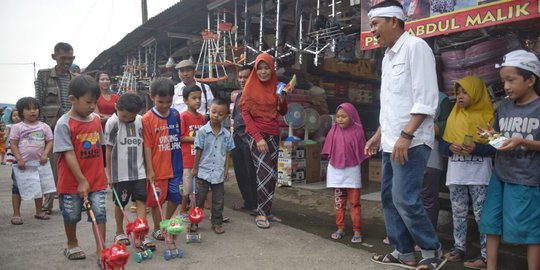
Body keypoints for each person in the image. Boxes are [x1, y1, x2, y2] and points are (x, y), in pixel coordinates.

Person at [363, 1, 444, 269]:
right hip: (390, 141)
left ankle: (432, 251)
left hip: (411, 141)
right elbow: (393, 105)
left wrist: (406, 135)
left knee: (404, 198)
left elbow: (426, 98)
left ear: (395, 21)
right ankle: (403, 251)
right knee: (387, 197)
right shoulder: (388, 57)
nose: (372, 29)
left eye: (376, 23)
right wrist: (379, 134)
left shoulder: (416, 47)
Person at [479, 50, 540, 270]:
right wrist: (491, 137)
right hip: (500, 175)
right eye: (503, 80)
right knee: (491, 224)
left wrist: (522, 142)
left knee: (531, 231)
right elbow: (501, 138)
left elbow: (518, 140)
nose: (506, 86)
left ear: (531, 79)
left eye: (511, 80)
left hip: (527, 178)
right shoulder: (503, 107)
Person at [440, 76, 496, 269]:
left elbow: (496, 147)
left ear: (477, 93)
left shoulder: (488, 117)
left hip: (479, 174)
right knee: (458, 212)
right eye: (457, 93)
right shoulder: (453, 116)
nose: (460, 97)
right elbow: (442, 145)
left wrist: (476, 149)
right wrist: (450, 148)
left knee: (482, 215)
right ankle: (459, 248)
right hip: (457, 173)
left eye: (465, 92)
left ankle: (485, 255)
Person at [53, 75, 107, 261]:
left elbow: (100, 147)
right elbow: (68, 153)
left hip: (97, 179)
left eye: (95, 102)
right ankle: (72, 243)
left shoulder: (95, 120)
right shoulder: (64, 124)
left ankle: (101, 249)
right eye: (88, 102)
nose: (92, 106)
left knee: (99, 214)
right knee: (71, 215)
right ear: (72, 100)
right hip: (71, 181)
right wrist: (81, 180)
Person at [239, 53, 287, 229]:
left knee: (272, 175)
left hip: (274, 134)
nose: (263, 72)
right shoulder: (250, 87)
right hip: (257, 135)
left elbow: (282, 112)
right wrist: (258, 138)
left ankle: (267, 211)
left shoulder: (277, 85)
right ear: (255, 70)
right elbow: (245, 114)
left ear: (271, 68)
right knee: (264, 173)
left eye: (266, 68)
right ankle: (260, 212)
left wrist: (282, 101)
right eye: (260, 69)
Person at [104, 92, 154, 250]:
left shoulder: (141, 121)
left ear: (137, 112)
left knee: (141, 201)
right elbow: (108, 150)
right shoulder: (112, 123)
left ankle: (142, 234)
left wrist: (149, 169)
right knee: (121, 203)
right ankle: (119, 231)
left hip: (139, 171)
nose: (125, 119)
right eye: (123, 115)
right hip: (121, 174)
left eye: (129, 117)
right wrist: (109, 175)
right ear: (116, 108)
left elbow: (145, 145)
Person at [35, 42, 75, 214]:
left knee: (72, 164)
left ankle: (72, 202)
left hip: (71, 126)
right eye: (63, 58)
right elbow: (38, 101)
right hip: (50, 127)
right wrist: (41, 128)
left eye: (70, 58)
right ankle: (48, 203)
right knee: (51, 167)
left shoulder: (75, 78)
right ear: (54, 57)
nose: (66, 61)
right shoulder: (44, 76)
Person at [142, 78, 183, 240]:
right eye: (161, 101)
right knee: (155, 201)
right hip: (158, 168)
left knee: (176, 197)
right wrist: (149, 169)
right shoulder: (147, 119)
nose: (165, 105)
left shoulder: (175, 114)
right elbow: (147, 146)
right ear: (152, 97)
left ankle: (166, 221)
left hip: (176, 165)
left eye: (168, 101)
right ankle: (158, 228)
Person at [322, 103, 368, 243]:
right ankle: (340, 228)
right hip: (336, 171)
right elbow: (328, 150)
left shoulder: (358, 131)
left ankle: (357, 230)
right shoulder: (333, 130)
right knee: (338, 202)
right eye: (338, 117)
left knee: (355, 202)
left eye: (344, 116)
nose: (340, 119)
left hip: (352, 171)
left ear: (352, 116)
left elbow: (361, 152)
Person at [192, 97, 235, 234]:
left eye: (220, 114)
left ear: (226, 116)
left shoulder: (227, 135)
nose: (216, 116)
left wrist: (226, 169)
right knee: (199, 199)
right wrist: (195, 168)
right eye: (214, 112)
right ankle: (194, 222)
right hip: (203, 171)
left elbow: (227, 152)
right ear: (209, 111)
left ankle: (217, 223)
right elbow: (198, 150)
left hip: (218, 172)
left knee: (218, 200)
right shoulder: (203, 132)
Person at [10, 97, 55, 223]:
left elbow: (50, 141)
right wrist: (19, 159)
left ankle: (39, 211)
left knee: (39, 186)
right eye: (28, 109)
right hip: (21, 164)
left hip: (39, 163)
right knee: (17, 188)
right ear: (21, 112)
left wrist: (45, 154)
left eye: (35, 108)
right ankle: (16, 214)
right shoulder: (18, 127)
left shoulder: (44, 127)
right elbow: (13, 144)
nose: (32, 112)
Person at [421, 92, 452, 230]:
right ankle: (408, 237)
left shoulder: (441, 99)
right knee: (409, 196)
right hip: (407, 153)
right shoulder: (407, 94)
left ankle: (426, 238)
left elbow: (449, 124)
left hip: (431, 153)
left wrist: (431, 127)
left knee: (428, 198)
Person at [231, 65, 258, 212]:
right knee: (240, 172)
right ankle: (247, 202)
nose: (242, 80)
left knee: (251, 172)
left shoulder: (256, 95)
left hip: (249, 138)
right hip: (236, 138)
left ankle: (256, 204)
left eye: (245, 77)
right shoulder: (239, 96)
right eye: (240, 77)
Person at [178, 85, 206, 221]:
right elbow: (181, 137)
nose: (197, 101)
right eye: (194, 98)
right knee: (187, 187)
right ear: (185, 100)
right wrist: (197, 139)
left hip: (199, 159)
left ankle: (194, 209)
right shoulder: (183, 116)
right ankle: (182, 209)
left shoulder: (201, 118)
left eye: (199, 98)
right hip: (187, 159)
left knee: (197, 187)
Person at [95, 71, 120, 168]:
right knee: (104, 162)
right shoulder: (95, 97)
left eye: (107, 79)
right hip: (101, 134)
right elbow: (98, 118)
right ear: (98, 82)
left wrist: (106, 117)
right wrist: (113, 116)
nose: (105, 81)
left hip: (116, 132)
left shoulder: (116, 97)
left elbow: (121, 115)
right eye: (102, 79)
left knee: (116, 160)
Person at [6, 109, 22, 225]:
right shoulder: (11, 126)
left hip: (32, 160)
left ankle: (39, 209)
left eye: (18, 115)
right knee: (16, 185)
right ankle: (16, 212)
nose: (16, 117)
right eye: (14, 115)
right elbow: (7, 136)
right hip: (16, 157)